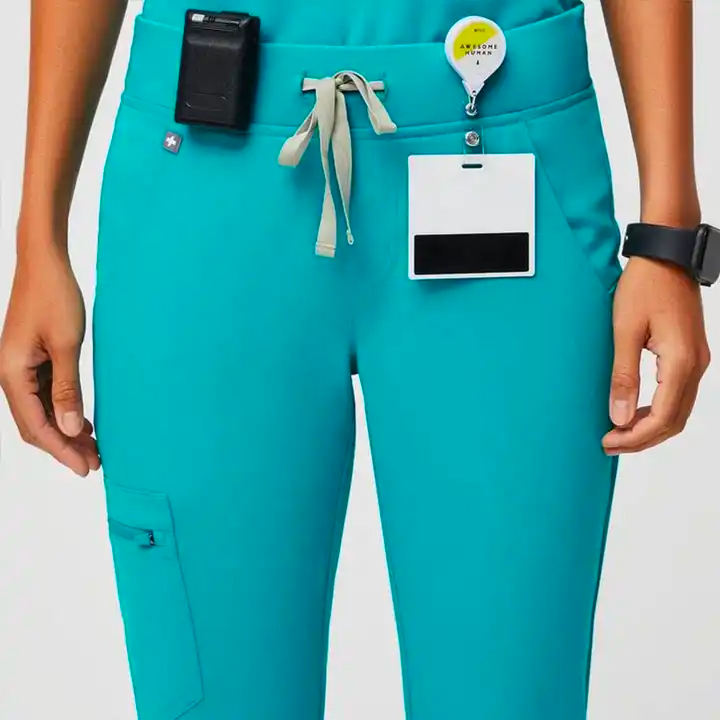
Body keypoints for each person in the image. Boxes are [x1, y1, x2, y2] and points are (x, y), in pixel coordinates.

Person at [0, 0, 713, 718]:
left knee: (509, 694)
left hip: (507, 146)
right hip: (200, 178)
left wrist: (670, 238)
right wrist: (38, 239)